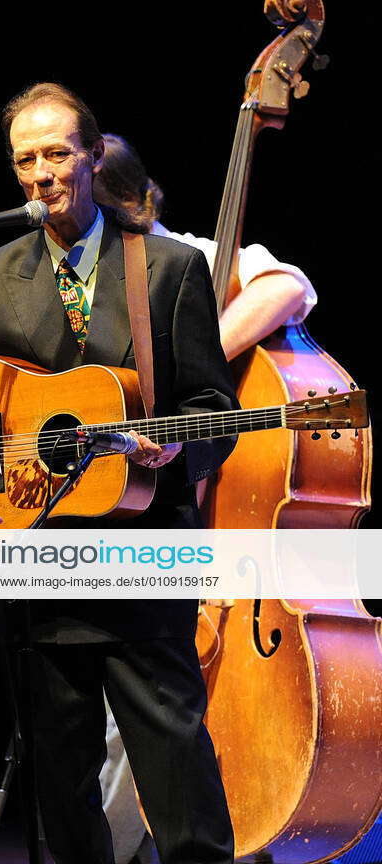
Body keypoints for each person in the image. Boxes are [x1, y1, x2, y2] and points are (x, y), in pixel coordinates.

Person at [0, 82, 238, 864]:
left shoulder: (167, 269)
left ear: (94, 155)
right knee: (61, 793)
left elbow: (212, 406)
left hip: (142, 557)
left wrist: (179, 450)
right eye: (24, 160)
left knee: (179, 780)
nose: (41, 174)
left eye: (56, 153)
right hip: (34, 555)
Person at [91, 132, 317, 864]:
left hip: (229, 545)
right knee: (123, 724)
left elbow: (289, 287)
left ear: (140, 205)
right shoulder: (87, 289)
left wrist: (198, 362)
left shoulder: (196, 255)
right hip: (139, 538)